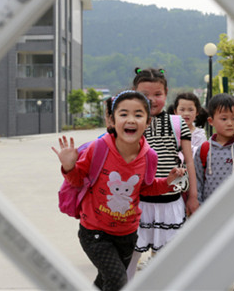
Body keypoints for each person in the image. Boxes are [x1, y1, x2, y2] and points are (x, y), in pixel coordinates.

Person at [52, 90, 186, 291]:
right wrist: (70, 166)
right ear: (112, 121)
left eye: (138, 115)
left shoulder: (149, 156)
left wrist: (168, 181)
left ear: (147, 122)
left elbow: (146, 189)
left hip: (128, 234)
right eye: (123, 114)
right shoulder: (98, 148)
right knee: (117, 281)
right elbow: (77, 180)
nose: (130, 119)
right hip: (95, 232)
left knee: (105, 282)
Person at [126, 67, 199, 280]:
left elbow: (190, 163)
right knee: (130, 257)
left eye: (157, 94)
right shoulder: (130, 124)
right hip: (138, 203)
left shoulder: (178, 123)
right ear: (134, 92)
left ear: (166, 93)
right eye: (144, 95)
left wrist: (193, 197)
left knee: (168, 260)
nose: (152, 100)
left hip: (171, 203)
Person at [195, 93, 234, 291]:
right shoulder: (204, 150)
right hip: (212, 215)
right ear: (211, 121)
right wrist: (198, 207)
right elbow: (198, 181)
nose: (230, 123)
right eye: (224, 119)